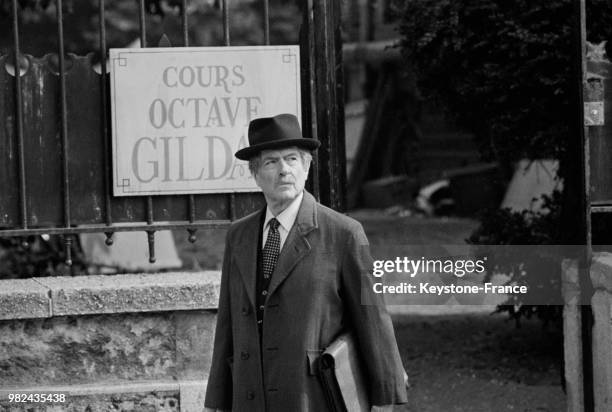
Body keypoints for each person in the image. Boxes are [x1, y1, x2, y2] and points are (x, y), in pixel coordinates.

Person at [204, 114, 408, 412]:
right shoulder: (239, 235)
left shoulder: (344, 233)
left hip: (312, 397)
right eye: (271, 162)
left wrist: (384, 399)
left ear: (307, 167)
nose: (284, 170)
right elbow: (228, 325)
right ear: (255, 173)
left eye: (292, 160)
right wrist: (216, 402)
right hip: (249, 397)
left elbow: (373, 319)